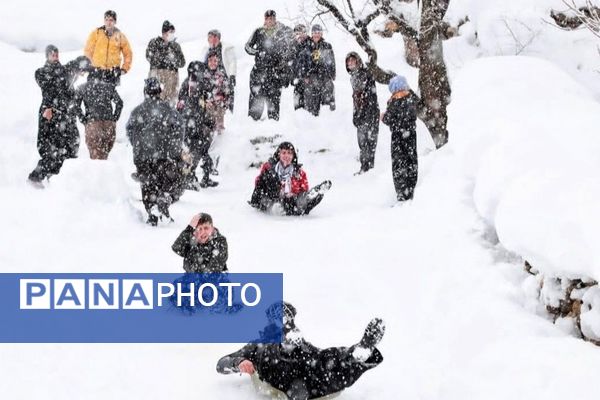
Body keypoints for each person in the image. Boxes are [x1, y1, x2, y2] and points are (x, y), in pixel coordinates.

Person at [216, 302, 385, 400]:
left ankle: (357, 354)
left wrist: (346, 357)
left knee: (327, 359)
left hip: (305, 376)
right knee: (308, 368)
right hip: (277, 376)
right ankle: (350, 357)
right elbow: (221, 364)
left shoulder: (303, 346)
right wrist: (239, 363)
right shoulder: (257, 345)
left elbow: (323, 360)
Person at [28, 46, 91, 186]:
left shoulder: (66, 71)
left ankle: (58, 180)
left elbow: (81, 62)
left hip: (66, 115)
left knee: (71, 147)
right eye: (51, 54)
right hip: (50, 113)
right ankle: (35, 178)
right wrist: (48, 107)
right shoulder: (42, 72)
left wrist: (81, 68)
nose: (55, 55)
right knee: (51, 149)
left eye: (56, 53)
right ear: (47, 56)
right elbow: (50, 87)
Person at [126, 78, 185, 226]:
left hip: (143, 157)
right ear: (160, 91)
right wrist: (174, 150)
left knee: (147, 184)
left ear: (145, 91)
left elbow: (130, 131)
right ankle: (163, 205)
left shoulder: (137, 111)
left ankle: (152, 212)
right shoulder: (169, 110)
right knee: (165, 182)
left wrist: (139, 146)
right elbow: (179, 129)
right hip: (165, 157)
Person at [249, 142, 332, 216]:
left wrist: (293, 193)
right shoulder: (269, 167)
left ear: (293, 156)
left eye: (289, 153)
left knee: (300, 202)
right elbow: (259, 183)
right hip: (271, 197)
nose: (286, 156)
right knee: (270, 179)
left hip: (291, 202)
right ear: (279, 154)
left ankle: (314, 193)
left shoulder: (299, 172)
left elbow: (304, 187)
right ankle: (275, 206)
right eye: (283, 153)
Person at [245, 10, 294, 121]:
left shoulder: (281, 32)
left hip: (275, 72)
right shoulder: (258, 31)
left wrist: (284, 64)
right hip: (259, 71)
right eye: (267, 18)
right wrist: (257, 52)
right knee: (256, 99)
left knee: (274, 101)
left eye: (272, 18)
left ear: (275, 19)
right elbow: (247, 47)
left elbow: (289, 48)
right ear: (264, 19)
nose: (269, 20)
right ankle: (252, 126)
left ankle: (273, 128)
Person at [177, 61, 219, 189]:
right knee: (195, 150)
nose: (202, 73)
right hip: (192, 123)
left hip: (195, 122)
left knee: (202, 149)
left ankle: (204, 176)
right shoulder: (190, 84)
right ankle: (189, 177)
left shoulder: (196, 83)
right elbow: (189, 105)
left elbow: (203, 101)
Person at [382, 75, 419, 202]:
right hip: (411, 135)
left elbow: (389, 118)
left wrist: (383, 117)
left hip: (398, 136)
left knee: (399, 164)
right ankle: (412, 189)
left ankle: (402, 193)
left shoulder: (395, 101)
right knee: (411, 161)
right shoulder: (411, 98)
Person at [74, 69, 123, 159]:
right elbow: (119, 103)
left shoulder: (82, 88)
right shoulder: (109, 86)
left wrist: (83, 119)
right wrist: (114, 118)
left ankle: (98, 172)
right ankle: (106, 171)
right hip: (108, 124)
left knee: (95, 157)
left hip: (92, 124)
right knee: (105, 154)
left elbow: (75, 105)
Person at [346, 52, 379, 175]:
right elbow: (356, 99)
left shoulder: (365, 74)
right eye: (348, 62)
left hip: (370, 113)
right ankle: (365, 167)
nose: (350, 63)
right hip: (361, 114)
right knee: (362, 142)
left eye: (352, 60)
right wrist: (356, 115)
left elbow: (369, 97)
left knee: (369, 142)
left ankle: (368, 169)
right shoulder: (354, 77)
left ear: (358, 61)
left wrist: (365, 114)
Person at [84, 10, 133, 85]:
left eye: (111, 20)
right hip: (96, 70)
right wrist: (89, 65)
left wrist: (124, 69)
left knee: (109, 95)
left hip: (112, 72)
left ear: (115, 22)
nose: (108, 22)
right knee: (92, 94)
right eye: (106, 20)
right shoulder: (96, 33)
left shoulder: (120, 36)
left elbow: (128, 53)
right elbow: (88, 50)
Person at [145, 20, 186, 105]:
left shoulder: (175, 46)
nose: (172, 34)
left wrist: (173, 59)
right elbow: (149, 56)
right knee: (153, 100)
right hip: (157, 74)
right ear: (164, 32)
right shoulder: (154, 42)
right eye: (170, 32)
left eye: (173, 32)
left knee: (169, 102)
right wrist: (163, 57)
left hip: (172, 76)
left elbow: (182, 63)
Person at [303, 25, 336, 116]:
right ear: (311, 34)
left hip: (324, 73)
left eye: (318, 33)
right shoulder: (307, 46)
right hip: (311, 74)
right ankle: (312, 113)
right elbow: (304, 62)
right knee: (311, 92)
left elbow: (332, 61)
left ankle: (328, 112)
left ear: (321, 34)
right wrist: (305, 75)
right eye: (314, 33)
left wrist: (332, 74)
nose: (316, 35)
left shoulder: (327, 46)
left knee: (328, 88)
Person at [201, 29, 237, 112]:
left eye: (212, 37)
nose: (210, 40)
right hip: (211, 78)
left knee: (227, 98)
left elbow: (232, 62)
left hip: (224, 77)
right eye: (209, 37)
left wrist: (232, 75)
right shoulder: (206, 50)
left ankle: (228, 112)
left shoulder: (226, 48)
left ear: (218, 38)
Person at [203, 51, 231, 134]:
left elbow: (227, 91)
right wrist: (204, 102)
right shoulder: (203, 75)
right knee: (208, 125)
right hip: (207, 106)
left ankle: (220, 133)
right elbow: (200, 92)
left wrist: (225, 103)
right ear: (207, 62)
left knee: (219, 113)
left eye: (215, 61)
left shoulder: (221, 75)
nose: (213, 63)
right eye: (210, 60)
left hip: (219, 106)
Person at [290, 24, 311, 111]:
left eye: (303, 32)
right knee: (298, 108)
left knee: (310, 108)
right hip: (297, 81)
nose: (300, 35)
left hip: (310, 81)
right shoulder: (292, 47)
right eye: (298, 33)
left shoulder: (311, 44)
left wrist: (308, 75)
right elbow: (290, 64)